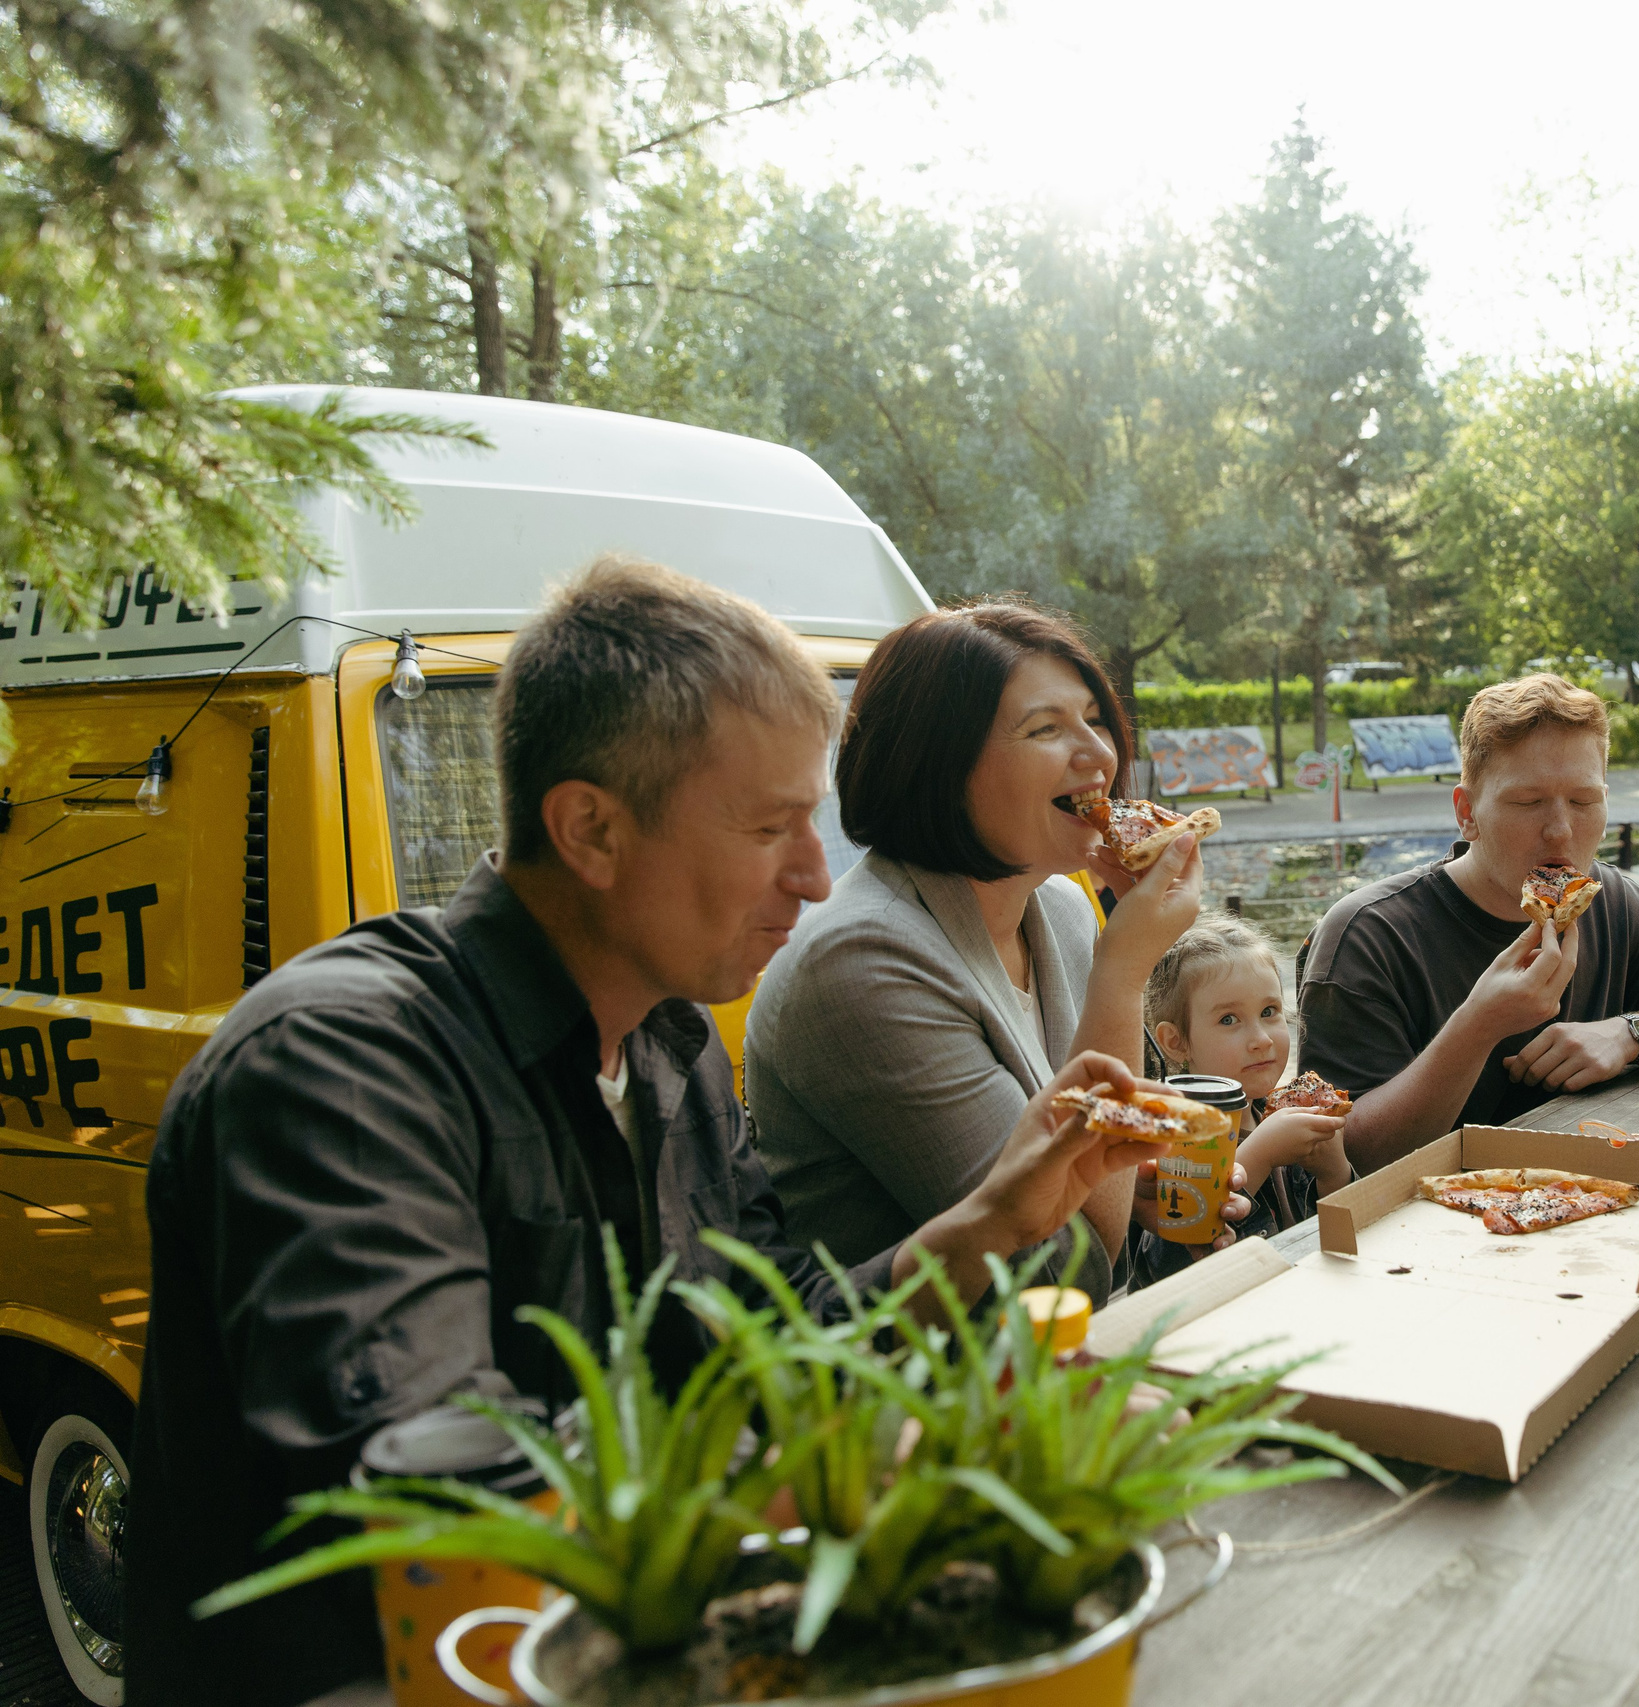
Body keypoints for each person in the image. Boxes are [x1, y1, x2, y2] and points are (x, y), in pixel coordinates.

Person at [123, 559, 1172, 1707]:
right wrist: (918, 1464)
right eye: (772, 826)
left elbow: (770, 1347)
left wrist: (987, 1226)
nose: (817, 879)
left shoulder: (670, 1048)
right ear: (591, 829)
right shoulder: (342, 1068)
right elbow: (438, 1491)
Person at [746, 601, 1235, 1296]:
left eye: (1095, 719)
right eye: (1045, 727)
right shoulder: (859, 961)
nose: (1099, 754)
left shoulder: (1060, 908)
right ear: (939, 763)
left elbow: (1075, 1183)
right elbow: (1061, 1270)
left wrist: (1133, 1178)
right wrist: (1125, 970)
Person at [1298, 673, 1639, 1172]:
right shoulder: (1367, 937)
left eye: (1585, 801)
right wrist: (1478, 1027)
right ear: (1467, 813)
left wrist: (1631, 1035)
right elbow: (1343, 1157)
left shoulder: (1616, 903)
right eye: (1527, 803)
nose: (1561, 831)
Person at [1132, 915, 1353, 1284]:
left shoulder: (1281, 1115)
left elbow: (1342, 1248)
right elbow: (1171, 1269)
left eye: (1269, 1012)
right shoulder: (1167, 1137)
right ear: (1175, 1042)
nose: (1261, 1039)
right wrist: (1261, 1155)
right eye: (1229, 1019)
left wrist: (1334, 1173)